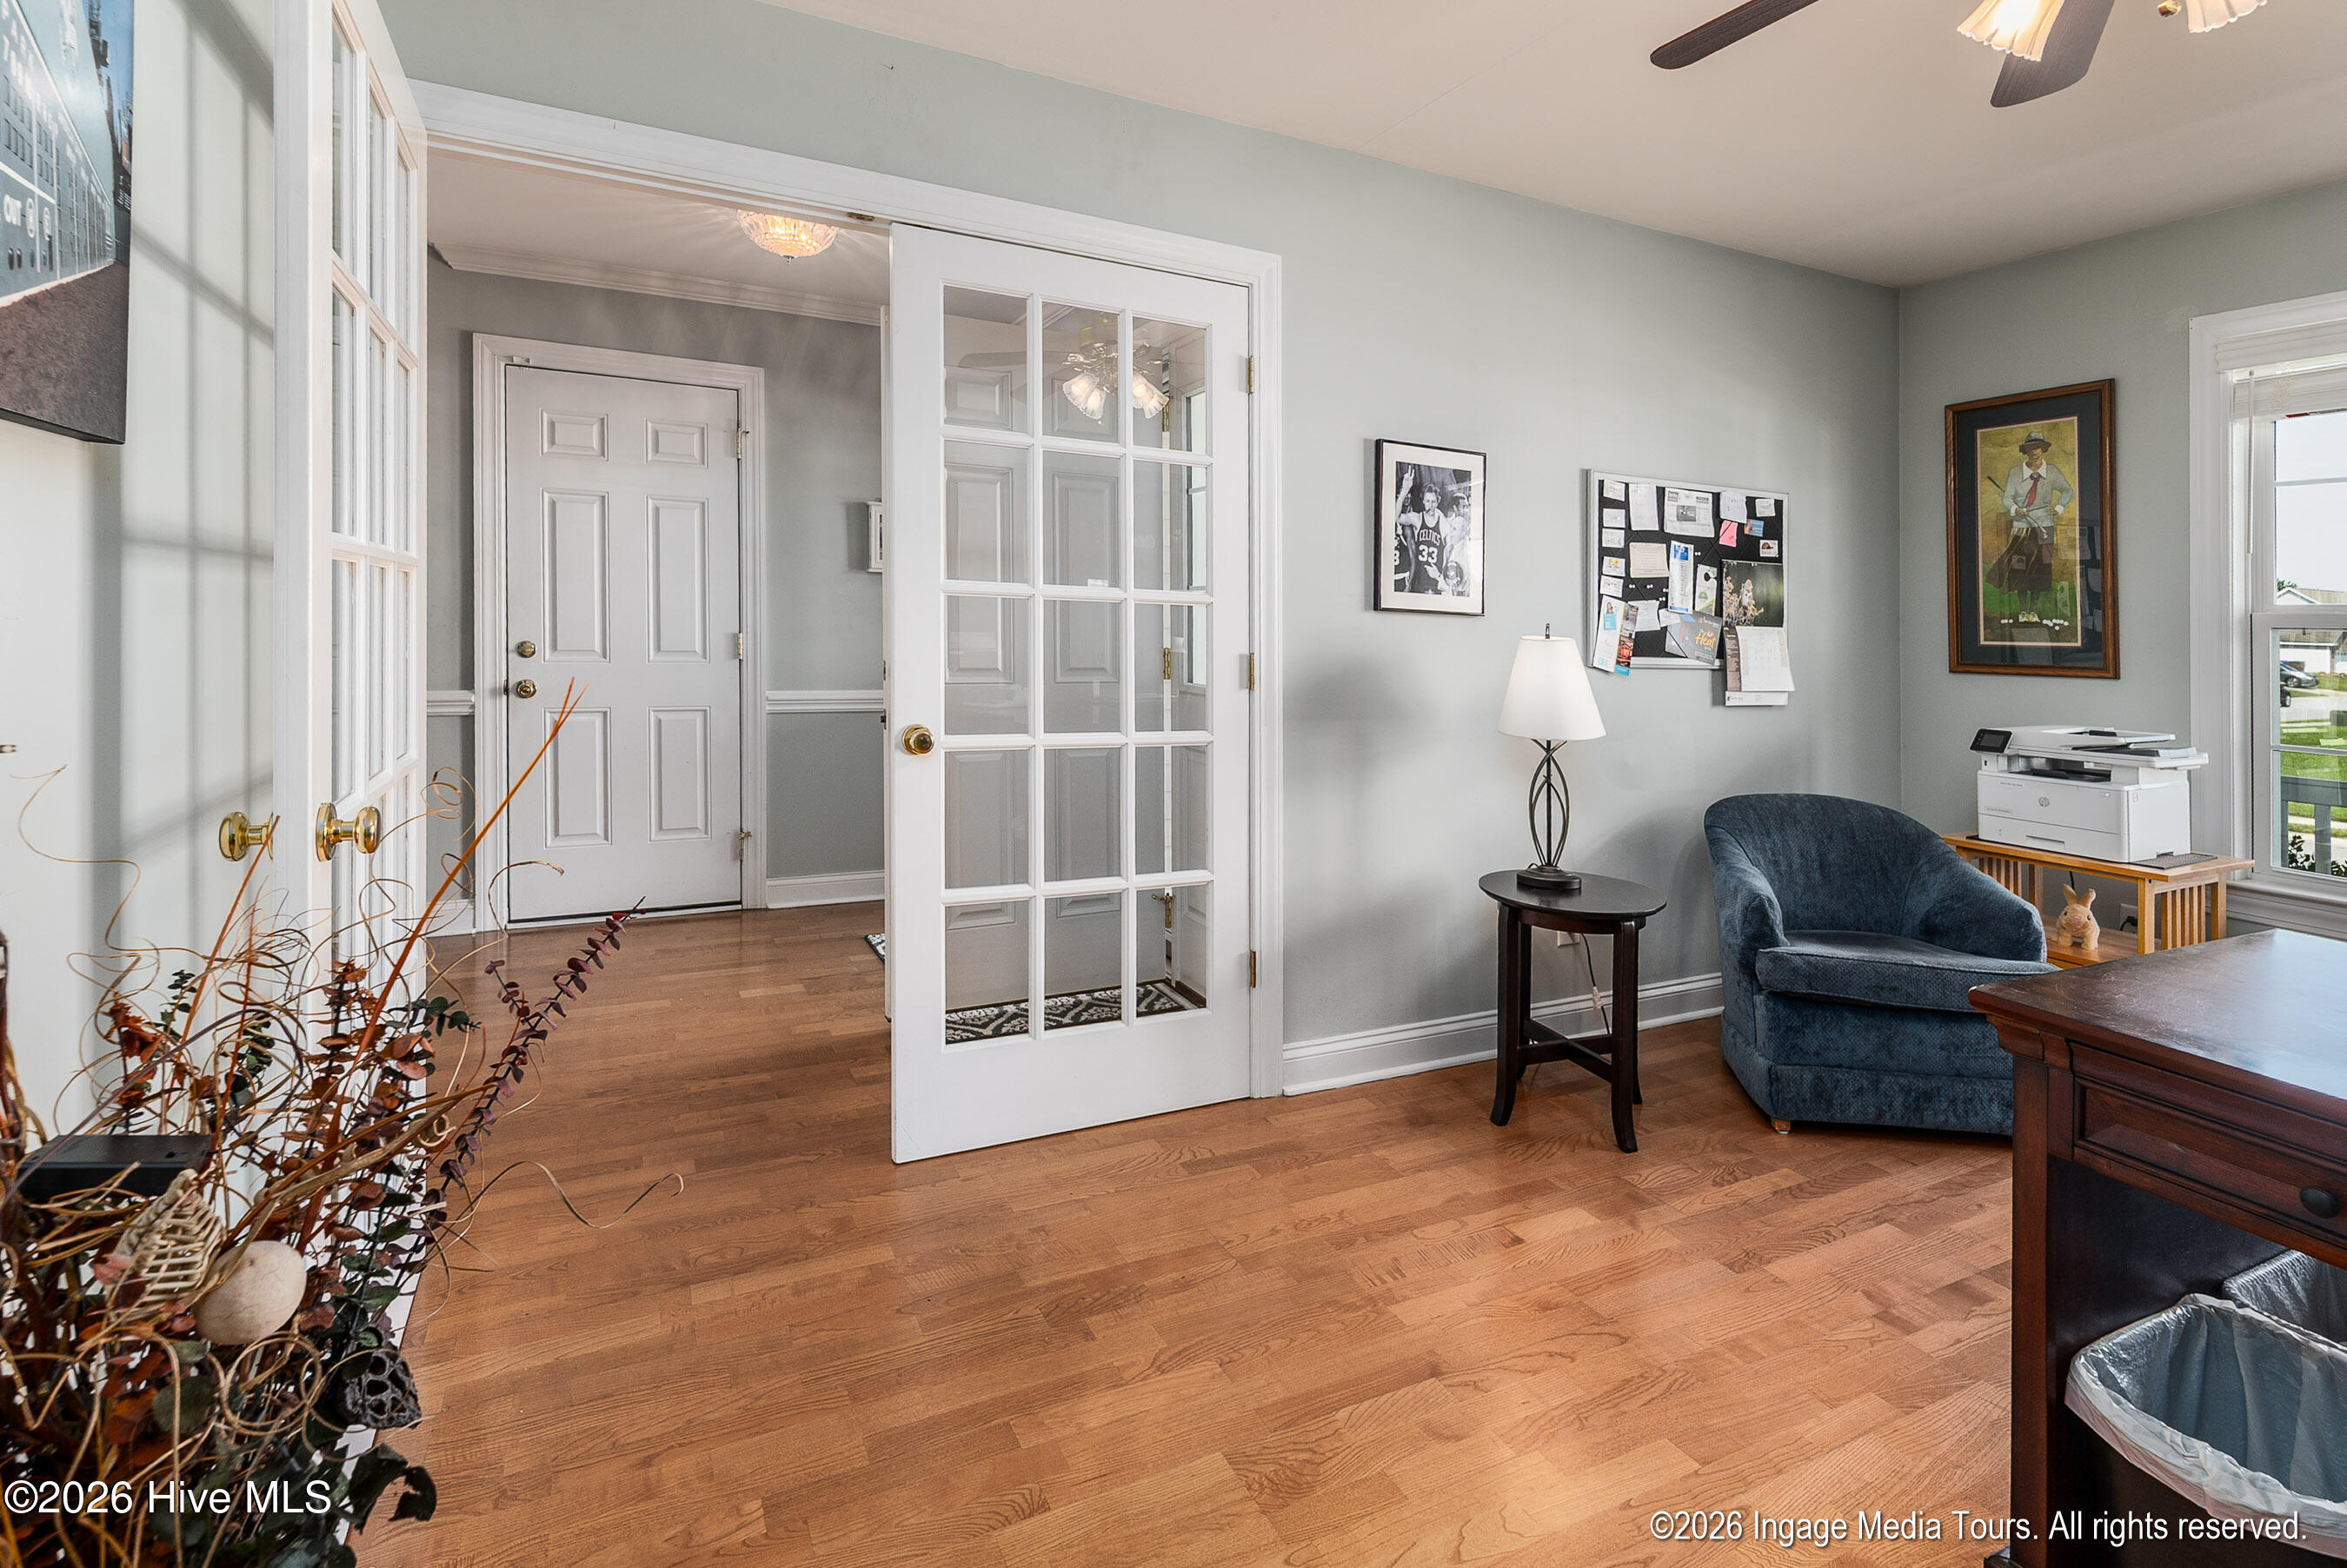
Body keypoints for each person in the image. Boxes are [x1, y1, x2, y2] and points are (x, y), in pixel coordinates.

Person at [1986, 431, 2074, 628]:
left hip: (2045, 528)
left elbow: (2068, 491)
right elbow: (2007, 497)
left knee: (2041, 569)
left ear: (2043, 449)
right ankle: (2023, 611)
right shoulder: (2015, 473)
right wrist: (2014, 509)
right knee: (2020, 568)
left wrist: (2060, 507)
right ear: (2025, 451)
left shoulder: (2053, 472)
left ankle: (2034, 611)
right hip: (2021, 528)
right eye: (2030, 448)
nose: (2034, 451)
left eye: (2038, 447)